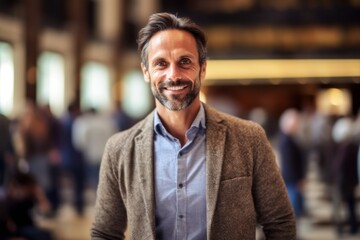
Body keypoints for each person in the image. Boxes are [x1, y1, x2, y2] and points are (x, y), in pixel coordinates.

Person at [91, 12, 296, 240]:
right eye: (161, 63)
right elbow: (104, 232)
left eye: (185, 62)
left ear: (203, 68)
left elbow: (279, 223)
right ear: (146, 72)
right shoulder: (119, 149)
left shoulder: (249, 138)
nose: (173, 75)